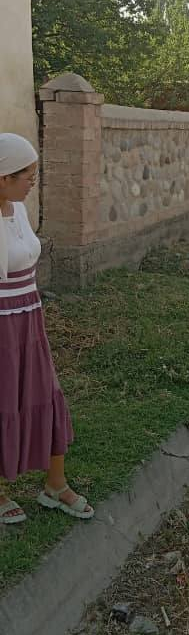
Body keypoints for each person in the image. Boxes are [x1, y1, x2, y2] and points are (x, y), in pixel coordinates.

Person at [0, 134, 93, 524]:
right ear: (3, 176)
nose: (32, 183)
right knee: (4, 398)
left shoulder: (20, 211)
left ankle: (55, 484)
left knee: (47, 393)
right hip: (3, 324)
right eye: (27, 176)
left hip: (29, 317)